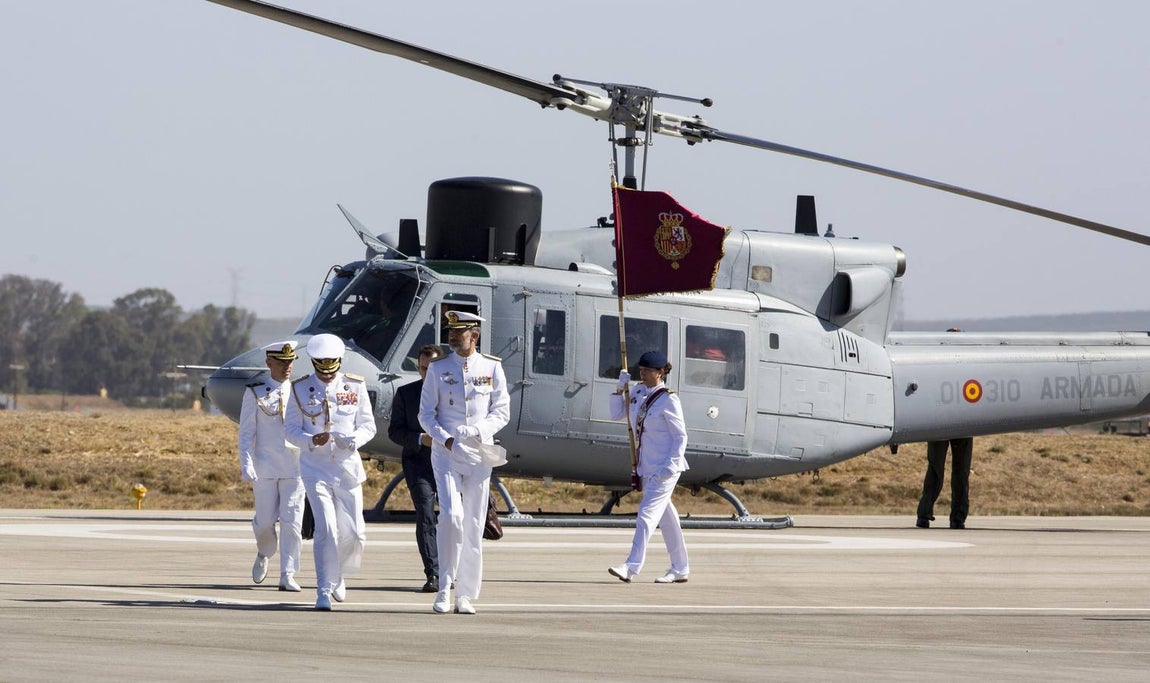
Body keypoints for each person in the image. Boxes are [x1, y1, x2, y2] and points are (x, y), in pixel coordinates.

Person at [419, 311, 510, 615]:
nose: (453, 336)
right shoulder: (438, 368)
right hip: (446, 453)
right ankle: (445, 587)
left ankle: (466, 594)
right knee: (451, 517)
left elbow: (502, 411)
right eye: (451, 331)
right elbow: (426, 414)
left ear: (475, 335)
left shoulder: (492, 367)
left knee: (472, 523)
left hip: (478, 452)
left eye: (459, 332)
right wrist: (445, 439)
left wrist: (480, 430)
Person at [284, 333, 377, 610]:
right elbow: (290, 429)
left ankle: (338, 573)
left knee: (355, 532)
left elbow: (368, 426)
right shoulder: (299, 389)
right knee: (325, 529)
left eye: (330, 368)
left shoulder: (355, 386)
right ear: (313, 363)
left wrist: (354, 440)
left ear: (338, 363)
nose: (326, 375)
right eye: (320, 369)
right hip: (316, 468)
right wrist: (310, 440)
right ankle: (323, 589)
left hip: (347, 467)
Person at [607, 351, 691, 584]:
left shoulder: (668, 399)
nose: (641, 374)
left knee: (646, 515)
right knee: (667, 519)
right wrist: (619, 388)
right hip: (646, 467)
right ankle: (680, 567)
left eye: (647, 371)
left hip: (665, 469)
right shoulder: (637, 392)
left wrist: (670, 466)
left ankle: (631, 567)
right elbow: (615, 414)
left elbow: (680, 437)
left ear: (660, 372)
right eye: (640, 370)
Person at [238, 340, 306, 592]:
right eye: (282, 362)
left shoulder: (302, 391)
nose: (287, 367)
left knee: (292, 522)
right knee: (266, 521)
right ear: (269, 363)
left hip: (295, 466)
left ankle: (288, 573)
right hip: (265, 466)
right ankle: (264, 551)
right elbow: (246, 433)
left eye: (290, 362)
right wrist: (247, 464)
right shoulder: (255, 392)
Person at [387, 343, 445, 593]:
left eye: (431, 367)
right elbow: (394, 432)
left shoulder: (453, 395)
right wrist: (421, 438)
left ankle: (453, 569)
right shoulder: (406, 394)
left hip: (448, 463)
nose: (425, 372)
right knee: (425, 513)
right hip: (418, 462)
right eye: (422, 368)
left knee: (453, 518)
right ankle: (433, 573)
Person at [916, 437, 973, 529]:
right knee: (937, 469)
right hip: (946, 426)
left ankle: (957, 517)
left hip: (958, 426)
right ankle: (925, 514)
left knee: (961, 472)